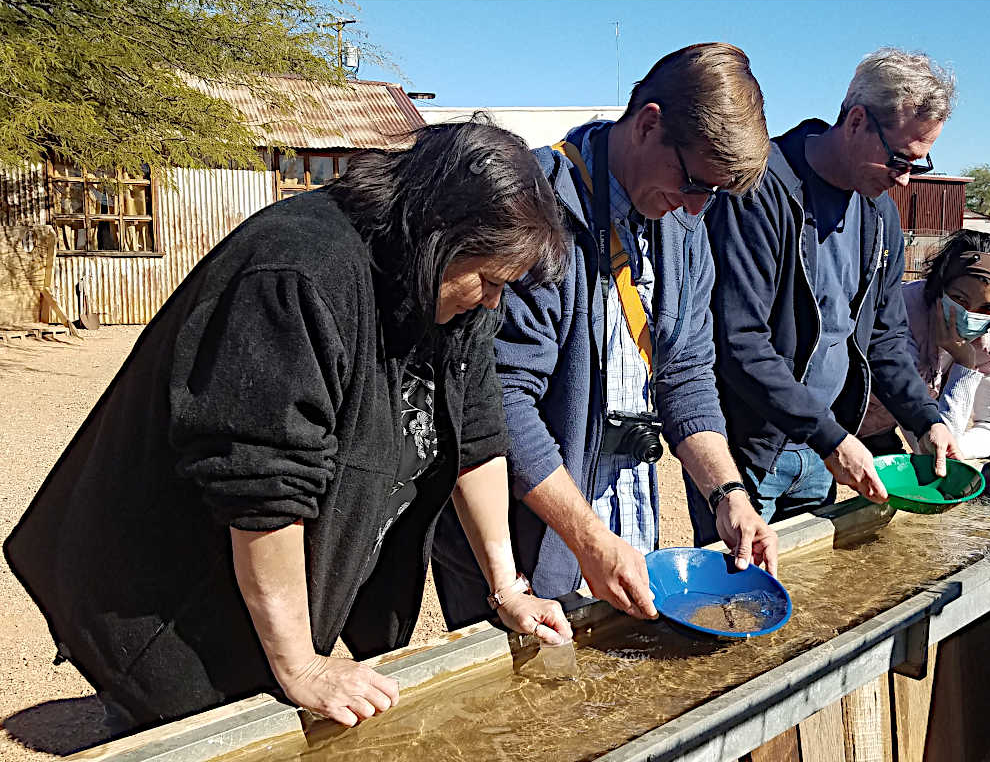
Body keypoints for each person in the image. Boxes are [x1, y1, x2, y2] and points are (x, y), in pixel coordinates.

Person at [4, 120, 573, 731]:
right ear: (438, 234)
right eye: (486, 281)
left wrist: (507, 588)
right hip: (182, 588)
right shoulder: (298, 271)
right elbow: (263, 486)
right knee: (204, 720)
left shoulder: (451, 291)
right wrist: (300, 664)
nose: (492, 302)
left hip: (281, 577)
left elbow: (477, 432)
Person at [432, 43, 779, 631]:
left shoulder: (684, 223)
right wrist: (586, 536)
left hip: (620, 507)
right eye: (695, 182)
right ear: (649, 124)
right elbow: (498, 398)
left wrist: (728, 493)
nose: (697, 208)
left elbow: (685, 376)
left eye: (714, 194)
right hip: (520, 532)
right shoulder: (533, 202)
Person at [693, 48, 960, 545]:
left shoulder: (879, 215)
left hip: (822, 447)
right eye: (899, 159)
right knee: (741, 597)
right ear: (856, 120)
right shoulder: (759, 190)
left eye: (919, 165)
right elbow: (740, 341)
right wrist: (832, 438)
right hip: (750, 447)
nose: (904, 178)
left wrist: (925, 419)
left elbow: (885, 337)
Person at [859, 230, 990, 459]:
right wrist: (965, 364)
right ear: (939, 286)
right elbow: (927, 443)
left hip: (882, 426)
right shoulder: (898, 315)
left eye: (987, 308)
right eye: (959, 299)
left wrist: (956, 449)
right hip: (836, 423)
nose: (969, 315)